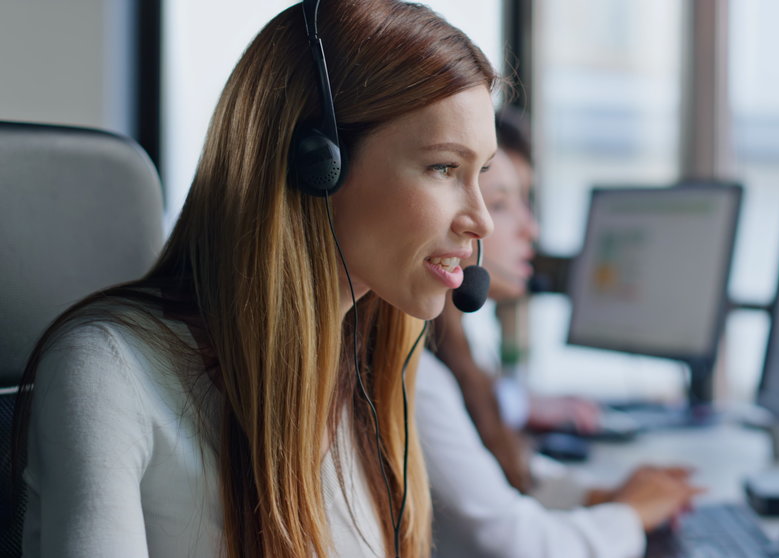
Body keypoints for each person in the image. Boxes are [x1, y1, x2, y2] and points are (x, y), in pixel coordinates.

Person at [13, 1, 498, 557]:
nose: (480, 219)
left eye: (481, 173)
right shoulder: (109, 369)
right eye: (444, 168)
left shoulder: (375, 366)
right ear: (317, 165)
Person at [416, 108, 702, 558]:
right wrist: (628, 513)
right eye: (504, 203)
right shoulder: (419, 375)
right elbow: (509, 540)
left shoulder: (451, 353)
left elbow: (500, 483)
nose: (531, 228)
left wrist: (602, 498)